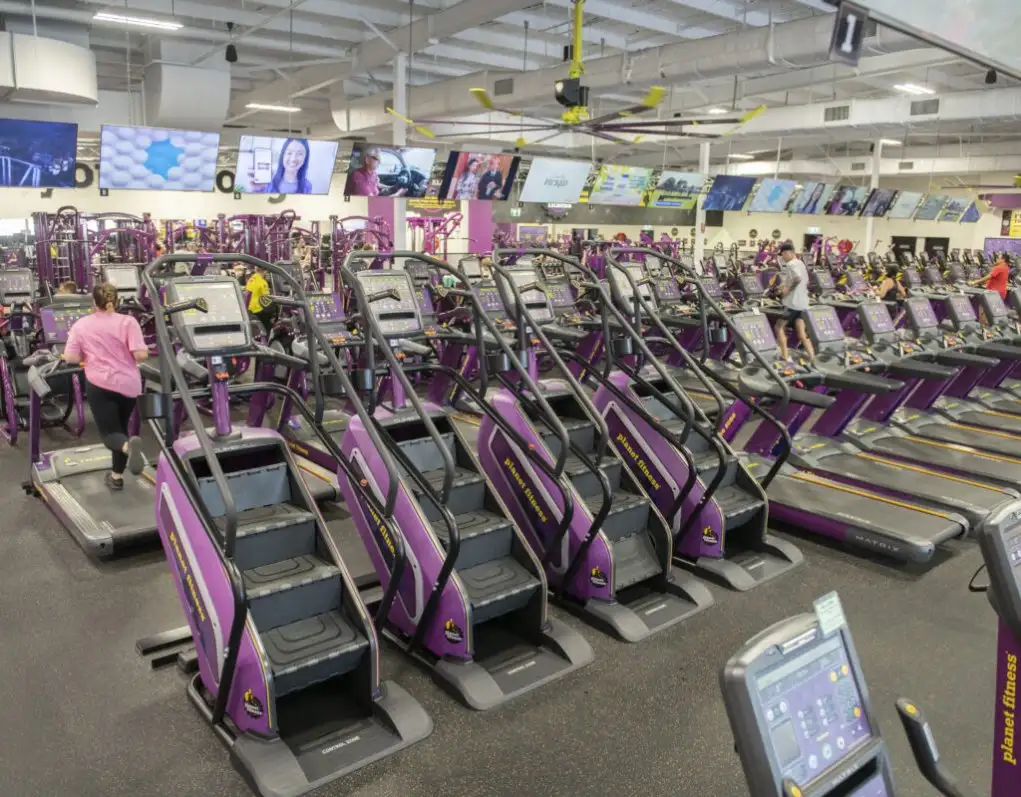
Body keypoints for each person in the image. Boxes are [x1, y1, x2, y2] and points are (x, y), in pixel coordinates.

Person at [62, 283, 147, 490]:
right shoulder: (129, 322)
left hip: (101, 384)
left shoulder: (81, 325)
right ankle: (116, 476)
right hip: (129, 385)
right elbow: (141, 355)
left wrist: (82, 356)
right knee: (121, 428)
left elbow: (71, 357)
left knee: (111, 435)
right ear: (115, 301)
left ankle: (128, 447)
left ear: (94, 302)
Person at [774, 242, 815, 362]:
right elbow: (805, 281)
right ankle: (812, 357)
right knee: (801, 333)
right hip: (803, 304)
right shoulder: (801, 263)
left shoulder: (791, 264)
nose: (782, 258)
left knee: (779, 327)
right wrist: (783, 286)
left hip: (792, 303)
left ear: (789, 253)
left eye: (783, 255)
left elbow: (797, 278)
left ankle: (785, 356)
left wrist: (786, 291)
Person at [248, 138, 314, 194]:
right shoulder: (267, 181)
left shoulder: (307, 186)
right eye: (289, 153)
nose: (293, 159)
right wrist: (255, 190)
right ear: (283, 155)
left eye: (299, 154)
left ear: (305, 158)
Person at [246, 264, 275, 334]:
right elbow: (267, 298)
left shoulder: (251, 279)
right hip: (259, 309)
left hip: (251, 309)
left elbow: (248, 294)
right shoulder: (263, 282)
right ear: (264, 271)